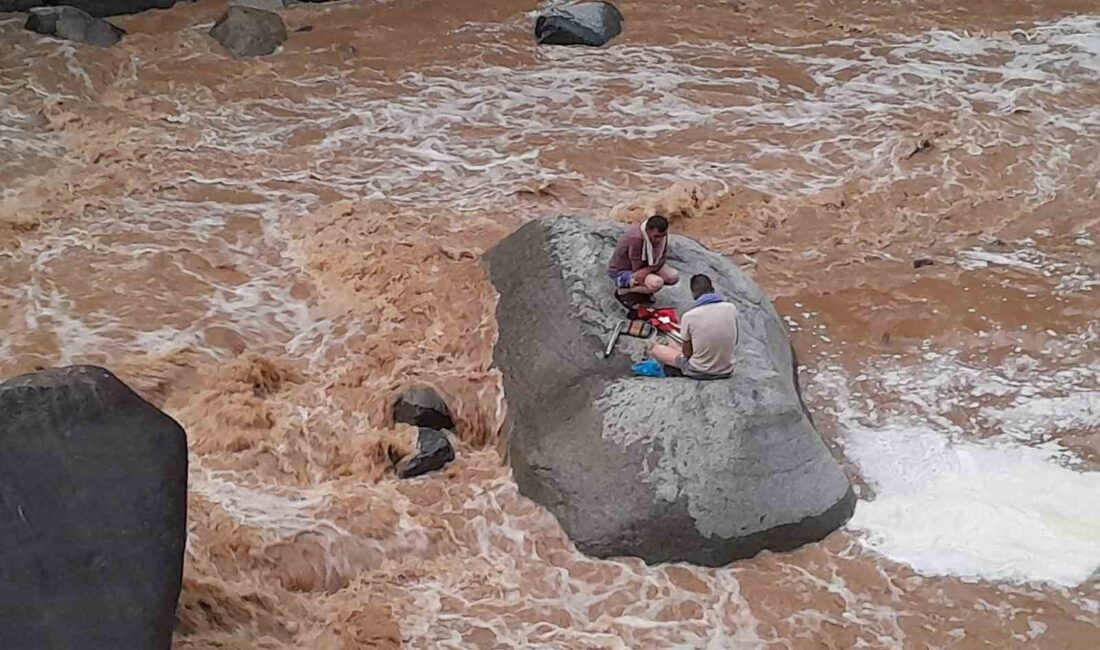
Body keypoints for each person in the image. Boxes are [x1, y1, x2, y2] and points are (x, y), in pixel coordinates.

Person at [649, 274, 738, 379]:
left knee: (655, 349)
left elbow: (687, 353)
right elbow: (735, 341)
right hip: (727, 370)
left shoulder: (689, 316)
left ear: (693, 294)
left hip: (699, 371)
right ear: (713, 289)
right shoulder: (731, 308)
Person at [607, 215, 680, 302]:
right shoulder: (636, 238)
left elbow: (662, 258)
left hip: (647, 265)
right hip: (624, 270)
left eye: (662, 236)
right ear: (648, 231)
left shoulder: (663, 237)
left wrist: (648, 270)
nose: (659, 240)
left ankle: (643, 290)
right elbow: (636, 266)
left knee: (673, 277)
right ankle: (624, 291)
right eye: (656, 236)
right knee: (656, 283)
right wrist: (647, 272)